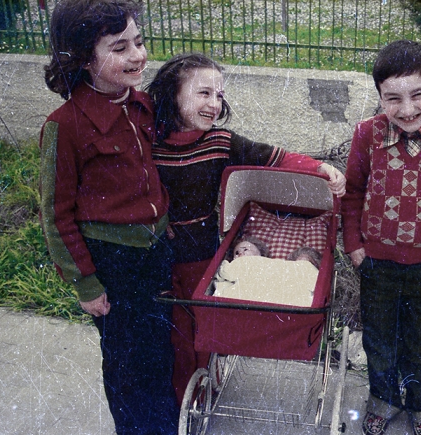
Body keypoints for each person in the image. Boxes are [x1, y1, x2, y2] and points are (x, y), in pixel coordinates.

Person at [146, 52, 346, 405]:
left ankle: (203, 382)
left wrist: (320, 168)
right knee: (172, 333)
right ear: (173, 93)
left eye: (219, 95)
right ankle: (183, 397)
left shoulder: (221, 142)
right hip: (159, 253)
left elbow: (275, 157)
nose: (214, 103)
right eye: (203, 93)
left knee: (203, 325)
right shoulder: (149, 144)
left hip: (202, 253)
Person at [38, 0, 178, 433]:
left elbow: (151, 172)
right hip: (112, 263)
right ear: (82, 58)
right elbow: (54, 214)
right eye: (119, 48)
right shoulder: (66, 126)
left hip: (155, 252)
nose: (137, 55)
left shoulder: (142, 105)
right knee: (124, 361)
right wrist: (85, 283)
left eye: (138, 42)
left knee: (159, 348)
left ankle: (164, 424)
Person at [341, 40, 421, 435]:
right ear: (380, 97)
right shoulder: (366, 135)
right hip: (376, 263)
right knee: (379, 341)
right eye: (393, 98)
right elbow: (351, 191)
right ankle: (382, 399)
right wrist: (355, 247)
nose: (408, 109)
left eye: (418, 95)